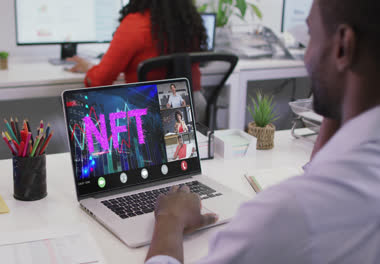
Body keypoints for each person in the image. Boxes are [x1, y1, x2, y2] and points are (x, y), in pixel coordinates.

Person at [145, 0, 380, 263]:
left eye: (311, 35)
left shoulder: (286, 215)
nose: (306, 56)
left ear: (343, 46)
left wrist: (169, 220)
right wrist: (341, 102)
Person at [67, 0, 207, 91]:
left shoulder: (135, 24)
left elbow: (101, 80)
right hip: (194, 108)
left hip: (150, 114)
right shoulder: (189, 22)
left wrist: (89, 69)